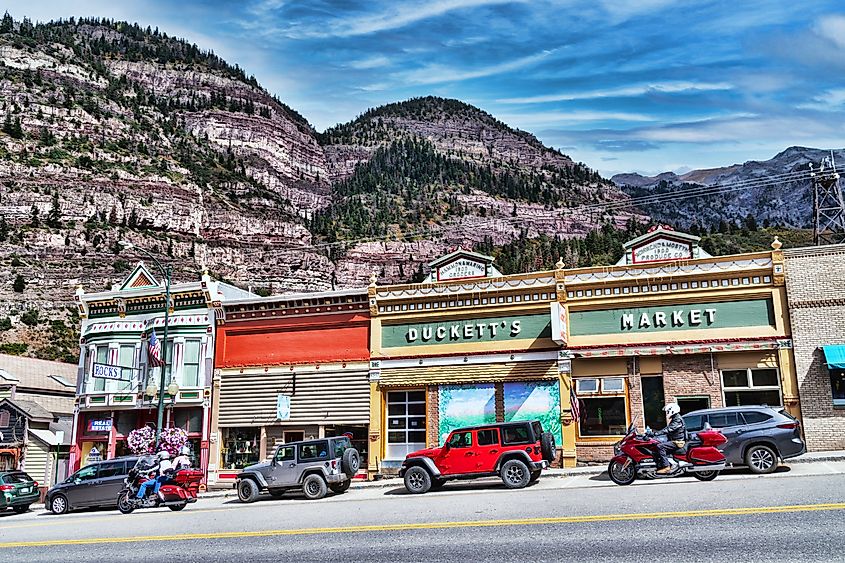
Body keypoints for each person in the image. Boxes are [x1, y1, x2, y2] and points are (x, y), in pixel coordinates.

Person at [652, 402, 686, 474]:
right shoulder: (675, 418)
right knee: (657, 443)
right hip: (675, 440)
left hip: (677, 441)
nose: (667, 413)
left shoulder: (677, 419)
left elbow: (669, 429)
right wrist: (656, 431)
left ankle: (666, 467)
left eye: (668, 411)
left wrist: (656, 433)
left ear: (672, 410)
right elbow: (667, 428)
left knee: (660, 446)